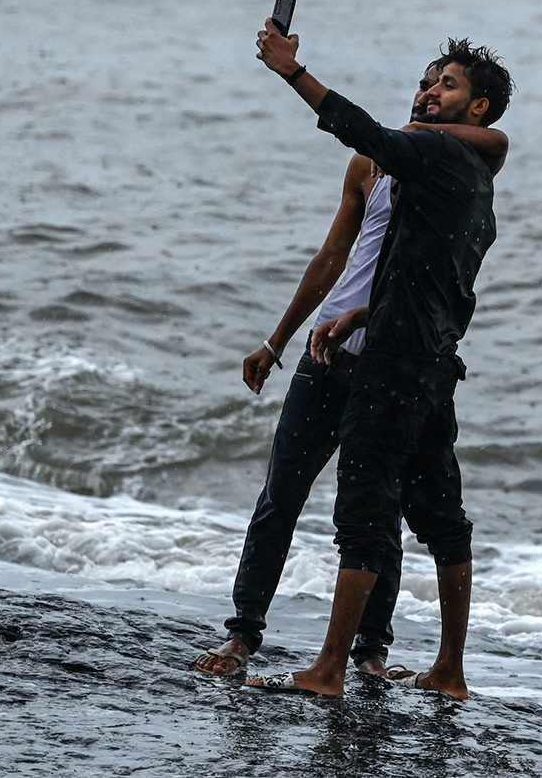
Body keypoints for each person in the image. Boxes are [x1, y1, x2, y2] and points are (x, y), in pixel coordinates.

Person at [195, 64, 508, 678]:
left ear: (478, 107)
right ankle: (242, 637)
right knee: (280, 496)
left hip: (392, 356)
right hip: (328, 353)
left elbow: (493, 149)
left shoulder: (451, 168)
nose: (427, 91)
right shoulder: (371, 164)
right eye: (424, 82)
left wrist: (295, 73)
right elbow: (334, 255)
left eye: (445, 85)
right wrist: (275, 339)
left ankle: (369, 652)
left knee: (378, 506)